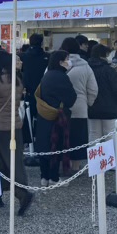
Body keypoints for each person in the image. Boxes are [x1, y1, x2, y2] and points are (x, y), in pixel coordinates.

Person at [0, 50, 34, 215]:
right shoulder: (17, 81)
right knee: (13, 163)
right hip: (15, 127)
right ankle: (0, 195)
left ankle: (22, 194)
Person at [34, 51, 77, 186]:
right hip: (57, 117)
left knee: (44, 146)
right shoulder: (61, 77)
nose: (69, 61)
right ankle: (54, 177)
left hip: (43, 115)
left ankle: (44, 177)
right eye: (67, 59)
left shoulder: (47, 75)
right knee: (56, 146)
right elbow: (71, 98)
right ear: (60, 62)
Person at [59, 38, 98, 172]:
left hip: (60, 106)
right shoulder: (85, 66)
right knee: (78, 137)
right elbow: (93, 89)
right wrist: (88, 103)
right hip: (80, 106)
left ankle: (64, 165)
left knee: (62, 136)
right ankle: (75, 166)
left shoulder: (56, 63)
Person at [88, 44, 117, 147]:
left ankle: (94, 161)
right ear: (103, 55)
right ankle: (109, 161)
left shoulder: (88, 68)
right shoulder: (109, 70)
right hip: (109, 108)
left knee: (94, 134)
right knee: (110, 135)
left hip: (92, 107)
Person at [20, 33, 48, 133]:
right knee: (42, 119)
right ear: (41, 43)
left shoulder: (23, 57)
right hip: (43, 92)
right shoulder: (47, 57)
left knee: (27, 117)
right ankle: (39, 137)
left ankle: (28, 141)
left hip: (27, 91)